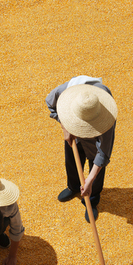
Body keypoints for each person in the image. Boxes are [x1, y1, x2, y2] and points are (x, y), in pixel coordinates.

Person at [45, 75, 118, 222]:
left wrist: (89, 180)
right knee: (71, 162)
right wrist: (65, 126)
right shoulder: (64, 91)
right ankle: (73, 187)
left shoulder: (107, 117)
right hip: (73, 135)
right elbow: (51, 104)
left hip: (94, 144)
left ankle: (92, 199)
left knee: (96, 173)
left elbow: (103, 152)